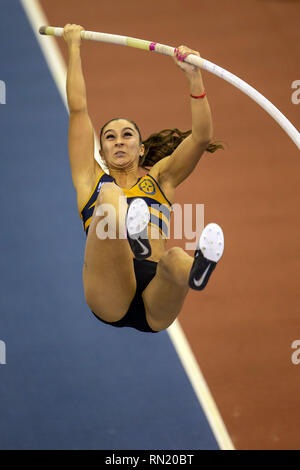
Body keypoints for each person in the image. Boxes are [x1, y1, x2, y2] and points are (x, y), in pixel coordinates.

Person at [63, 24, 224, 333]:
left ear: (141, 149)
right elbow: (78, 109)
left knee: (176, 258)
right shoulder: (90, 179)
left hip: (155, 299)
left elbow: (202, 137)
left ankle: (199, 269)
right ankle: (130, 233)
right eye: (110, 137)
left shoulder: (162, 179)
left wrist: (194, 75)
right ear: (101, 149)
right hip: (109, 292)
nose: (119, 141)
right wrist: (73, 47)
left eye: (127, 136)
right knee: (110, 197)